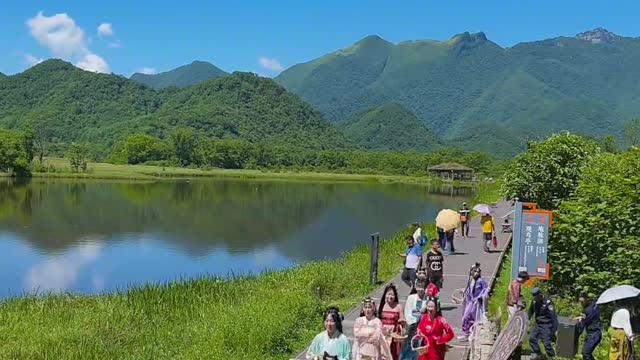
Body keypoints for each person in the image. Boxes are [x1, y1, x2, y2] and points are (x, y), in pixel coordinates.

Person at [459, 263, 489, 341]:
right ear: (471, 272)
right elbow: (468, 290)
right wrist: (463, 292)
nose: (476, 273)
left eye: (478, 271)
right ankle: (466, 333)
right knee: (466, 317)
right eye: (475, 271)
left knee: (476, 318)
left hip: (477, 303)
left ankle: (474, 333)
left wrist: (481, 297)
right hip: (471, 302)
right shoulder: (471, 280)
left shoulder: (481, 281)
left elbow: (486, 289)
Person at [528, 288, 558, 360]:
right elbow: (530, 311)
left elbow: (553, 316)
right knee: (532, 339)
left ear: (540, 295)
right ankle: (538, 354)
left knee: (546, 342)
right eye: (534, 297)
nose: (535, 298)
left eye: (537, 297)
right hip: (538, 324)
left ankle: (551, 356)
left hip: (546, 325)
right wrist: (527, 321)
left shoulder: (548, 302)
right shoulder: (534, 301)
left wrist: (556, 329)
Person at [402, 280, 429, 360]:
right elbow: (407, 312)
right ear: (416, 287)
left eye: (422, 287)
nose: (421, 289)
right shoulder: (411, 298)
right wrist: (413, 323)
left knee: (420, 347)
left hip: (423, 327)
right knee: (409, 346)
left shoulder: (427, 299)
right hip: (412, 326)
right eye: (419, 287)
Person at [379, 284, 406, 360]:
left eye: (392, 295)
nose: (390, 297)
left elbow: (402, 320)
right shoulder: (381, 306)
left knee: (394, 355)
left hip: (394, 336)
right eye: (388, 294)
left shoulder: (398, 306)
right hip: (384, 336)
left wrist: (402, 325)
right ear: (385, 295)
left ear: (395, 296)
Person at [574, 293, 602, 360]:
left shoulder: (586, 310)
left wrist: (574, 336)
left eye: (582, 302)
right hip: (597, 333)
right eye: (580, 302)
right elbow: (591, 316)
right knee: (587, 353)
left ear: (587, 299)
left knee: (585, 353)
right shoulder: (594, 305)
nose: (581, 304)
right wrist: (582, 317)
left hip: (593, 334)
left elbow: (582, 325)